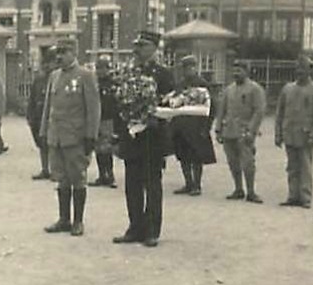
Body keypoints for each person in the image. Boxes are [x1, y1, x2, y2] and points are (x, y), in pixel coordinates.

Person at [110, 30, 177, 247]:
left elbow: (170, 103)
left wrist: (154, 118)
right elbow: (119, 102)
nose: (136, 50)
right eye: (136, 45)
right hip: (131, 136)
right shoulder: (127, 72)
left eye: (142, 45)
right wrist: (120, 132)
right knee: (132, 184)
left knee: (152, 184)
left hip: (152, 136)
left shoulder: (163, 74)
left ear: (154, 48)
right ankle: (134, 228)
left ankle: (152, 231)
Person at [38, 38, 100, 237]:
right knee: (61, 179)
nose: (59, 56)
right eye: (58, 52)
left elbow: (93, 108)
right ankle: (63, 219)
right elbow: (49, 106)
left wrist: (91, 135)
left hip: (75, 136)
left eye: (64, 52)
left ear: (74, 52)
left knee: (77, 178)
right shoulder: (54, 76)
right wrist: (43, 132)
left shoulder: (85, 76)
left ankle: (78, 221)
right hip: (56, 136)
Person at [274, 56, 313, 208]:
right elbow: (280, 113)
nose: (299, 72)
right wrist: (278, 134)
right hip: (289, 134)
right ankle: (293, 196)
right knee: (292, 167)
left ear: (310, 70)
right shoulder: (287, 89)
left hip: (306, 135)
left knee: (305, 166)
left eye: (303, 68)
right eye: (297, 68)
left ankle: (305, 197)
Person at [211, 60, 267, 203]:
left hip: (244, 132)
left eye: (239, 71)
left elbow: (259, 111)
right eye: (234, 71)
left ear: (247, 72)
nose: (236, 73)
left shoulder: (255, 89)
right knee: (232, 162)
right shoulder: (229, 90)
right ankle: (238, 189)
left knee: (248, 163)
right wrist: (218, 129)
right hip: (229, 131)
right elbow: (221, 110)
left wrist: (252, 130)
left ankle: (251, 192)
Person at [168, 55, 218, 196]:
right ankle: (188, 183)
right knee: (183, 156)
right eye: (184, 68)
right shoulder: (180, 84)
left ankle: (197, 185)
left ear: (195, 67)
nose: (187, 70)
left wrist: (207, 126)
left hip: (197, 126)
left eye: (190, 67)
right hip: (182, 126)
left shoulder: (202, 84)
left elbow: (212, 106)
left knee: (197, 157)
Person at [89, 58, 119, 188]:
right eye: (98, 68)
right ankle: (102, 175)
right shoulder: (93, 84)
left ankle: (110, 175)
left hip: (108, 119)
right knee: (98, 149)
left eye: (103, 68)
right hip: (96, 119)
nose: (100, 71)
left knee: (107, 148)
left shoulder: (113, 84)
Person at [26, 48, 54, 179]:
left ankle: (55, 170)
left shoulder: (58, 78)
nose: (48, 66)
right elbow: (33, 97)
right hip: (39, 116)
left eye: (51, 62)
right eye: (46, 62)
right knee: (42, 143)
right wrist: (30, 115)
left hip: (53, 117)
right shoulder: (39, 79)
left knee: (53, 145)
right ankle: (45, 169)